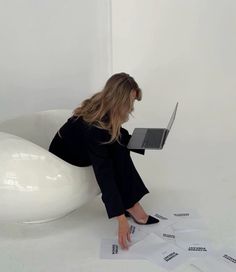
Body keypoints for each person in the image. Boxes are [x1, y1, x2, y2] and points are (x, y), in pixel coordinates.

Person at [48, 72, 159, 250]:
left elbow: (114, 132)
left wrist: (150, 140)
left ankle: (131, 204)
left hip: (79, 147)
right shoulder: (96, 129)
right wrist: (120, 217)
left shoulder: (103, 106)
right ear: (119, 100)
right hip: (63, 161)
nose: (131, 109)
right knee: (116, 151)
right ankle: (130, 205)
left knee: (117, 145)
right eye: (130, 103)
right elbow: (104, 174)